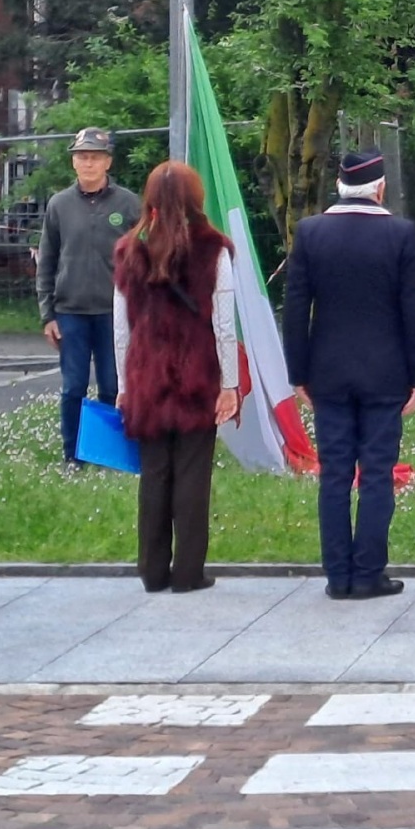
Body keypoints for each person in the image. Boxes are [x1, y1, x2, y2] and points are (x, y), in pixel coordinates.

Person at [283, 150, 415, 602]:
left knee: (333, 474)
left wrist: (298, 373)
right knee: (376, 474)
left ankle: (338, 576)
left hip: (326, 373)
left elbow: (295, 310)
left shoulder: (310, 232)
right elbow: (414, 312)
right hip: (385, 373)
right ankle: (368, 573)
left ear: (340, 187)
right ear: (380, 189)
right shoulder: (400, 234)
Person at [112, 162, 239, 593]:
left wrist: (125, 387)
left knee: (154, 474)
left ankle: (151, 571)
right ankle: (188, 572)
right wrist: (229, 385)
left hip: (146, 376)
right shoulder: (214, 249)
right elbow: (224, 324)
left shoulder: (129, 248)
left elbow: (121, 326)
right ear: (196, 198)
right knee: (192, 474)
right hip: (198, 375)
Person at [36, 127, 141, 467]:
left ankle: (108, 454)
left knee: (113, 386)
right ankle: (73, 456)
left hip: (116, 313)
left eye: (95, 157)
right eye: (82, 157)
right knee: (74, 387)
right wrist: (47, 314)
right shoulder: (59, 205)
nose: (88, 163)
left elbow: (144, 258)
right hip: (71, 311)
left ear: (108, 162)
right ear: (73, 162)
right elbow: (47, 260)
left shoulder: (127, 203)